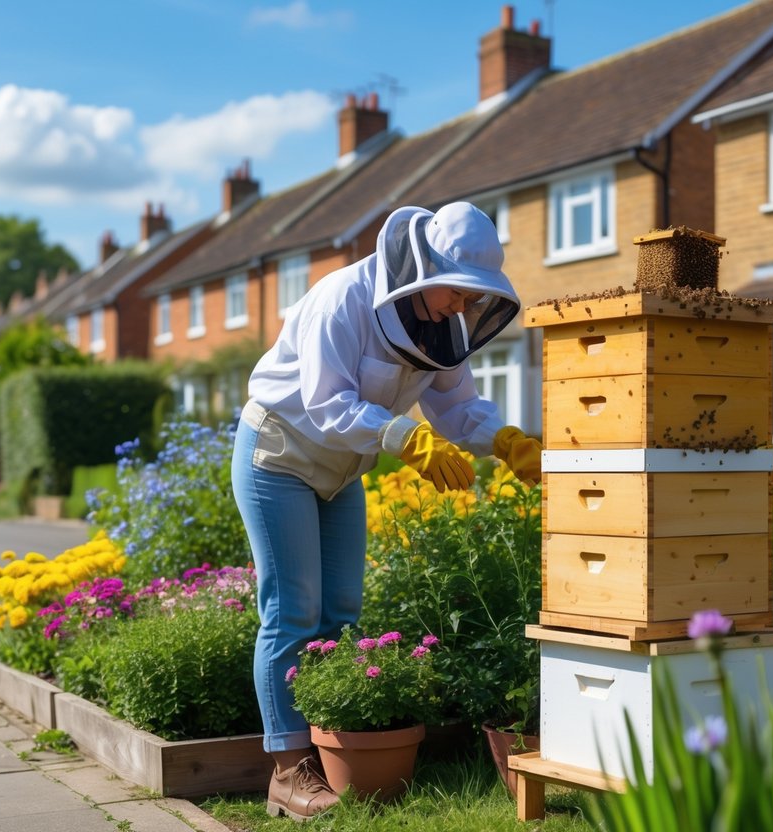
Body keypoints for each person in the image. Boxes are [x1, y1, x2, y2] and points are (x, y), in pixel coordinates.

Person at [231, 201, 542, 821]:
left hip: (343, 468)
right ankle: (288, 774)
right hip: (279, 453)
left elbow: (457, 409)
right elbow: (326, 404)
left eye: (471, 295)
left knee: (342, 610)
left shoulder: (443, 326)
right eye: (457, 291)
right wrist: (406, 439)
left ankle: (334, 750)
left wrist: (507, 440)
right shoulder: (339, 300)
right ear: (423, 270)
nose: (463, 306)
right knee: (292, 609)